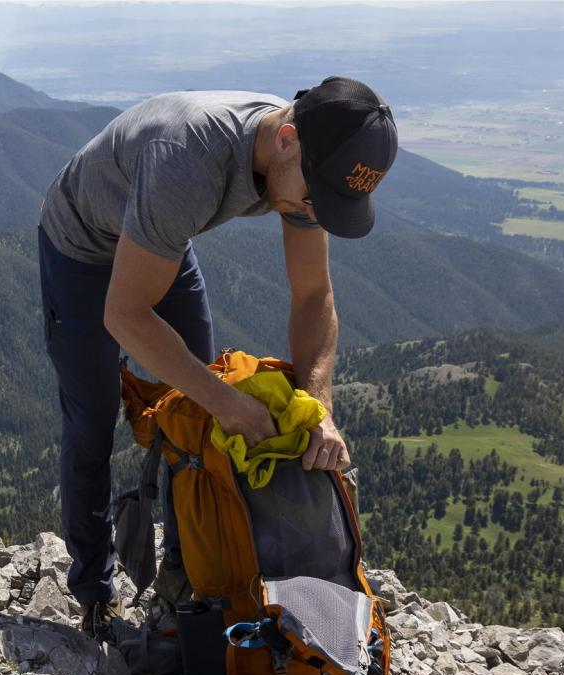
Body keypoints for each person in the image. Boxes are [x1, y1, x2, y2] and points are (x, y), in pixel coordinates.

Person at [38, 75, 398, 634]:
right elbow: (124, 314)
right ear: (286, 138)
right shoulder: (188, 159)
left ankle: (190, 584)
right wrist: (227, 403)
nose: (313, 209)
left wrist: (318, 404)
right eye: (315, 196)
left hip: (159, 237)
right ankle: (94, 591)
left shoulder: (306, 167)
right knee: (93, 418)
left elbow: (313, 296)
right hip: (82, 244)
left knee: (197, 414)